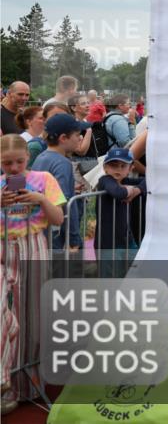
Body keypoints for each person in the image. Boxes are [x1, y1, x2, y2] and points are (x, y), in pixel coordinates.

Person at [1, 134, 66, 415]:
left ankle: (26, 385)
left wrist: (40, 199)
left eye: (19, 161)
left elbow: (58, 218)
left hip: (34, 245)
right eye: (7, 163)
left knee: (33, 315)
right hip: (4, 248)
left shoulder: (43, 179)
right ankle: (6, 379)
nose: (14, 168)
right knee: (6, 314)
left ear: (28, 157)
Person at [32, 113, 86, 251]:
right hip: (57, 234)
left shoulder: (41, 157)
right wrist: (73, 238)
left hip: (41, 228)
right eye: (77, 135)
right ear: (63, 138)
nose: (80, 138)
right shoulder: (63, 163)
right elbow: (65, 203)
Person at [94, 148, 145, 276]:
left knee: (135, 273)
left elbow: (149, 180)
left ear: (131, 168)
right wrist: (129, 190)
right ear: (105, 167)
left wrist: (137, 189)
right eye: (113, 165)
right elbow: (117, 192)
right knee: (110, 279)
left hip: (127, 240)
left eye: (123, 166)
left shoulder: (125, 181)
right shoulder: (105, 180)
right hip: (108, 244)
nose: (118, 169)